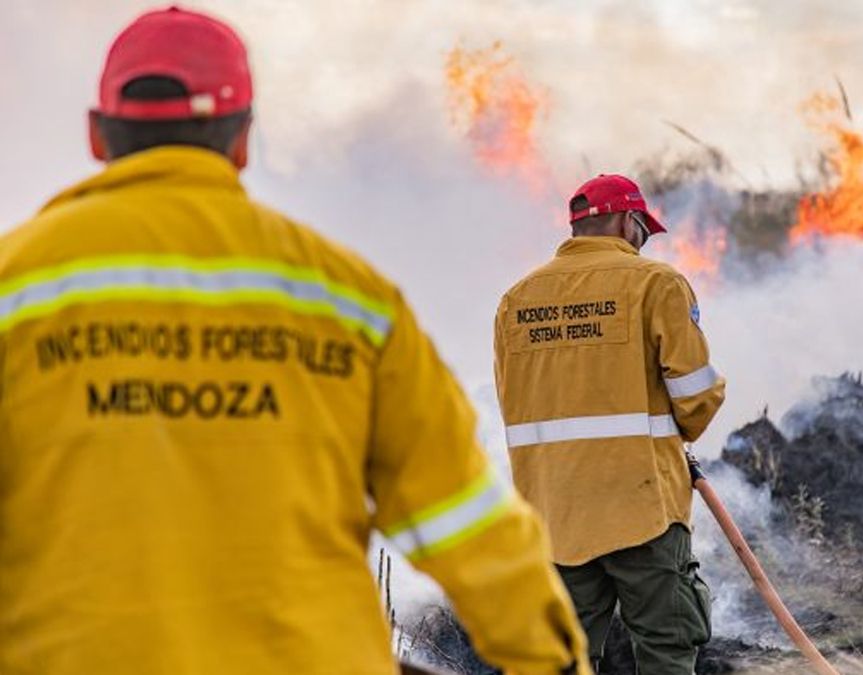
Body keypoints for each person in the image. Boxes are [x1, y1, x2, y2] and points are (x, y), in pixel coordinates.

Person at [0, 6, 588, 674]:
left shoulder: (15, 288)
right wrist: (551, 659)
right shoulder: (351, 302)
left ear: (97, 135)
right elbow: (465, 520)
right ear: (242, 138)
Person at [493, 174, 727, 673]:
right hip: (641, 508)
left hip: (552, 512)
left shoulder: (515, 300)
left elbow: (513, 399)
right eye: (643, 228)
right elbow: (696, 397)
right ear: (626, 221)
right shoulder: (657, 283)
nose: (643, 240)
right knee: (667, 647)